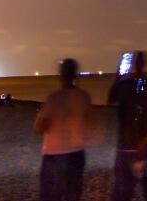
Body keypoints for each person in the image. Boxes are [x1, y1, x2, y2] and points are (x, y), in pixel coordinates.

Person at [108, 51, 147, 201]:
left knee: (123, 190)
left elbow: (110, 99)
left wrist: (118, 74)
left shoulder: (122, 86)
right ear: (145, 64)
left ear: (132, 64)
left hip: (125, 146)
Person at [35, 58, 92, 201]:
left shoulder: (54, 98)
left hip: (54, 154)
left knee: (50, 195)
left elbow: (39, 126)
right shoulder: (84, 97)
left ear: (61, 75)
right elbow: (88, 121)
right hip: (77, 154)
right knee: (73, 194)